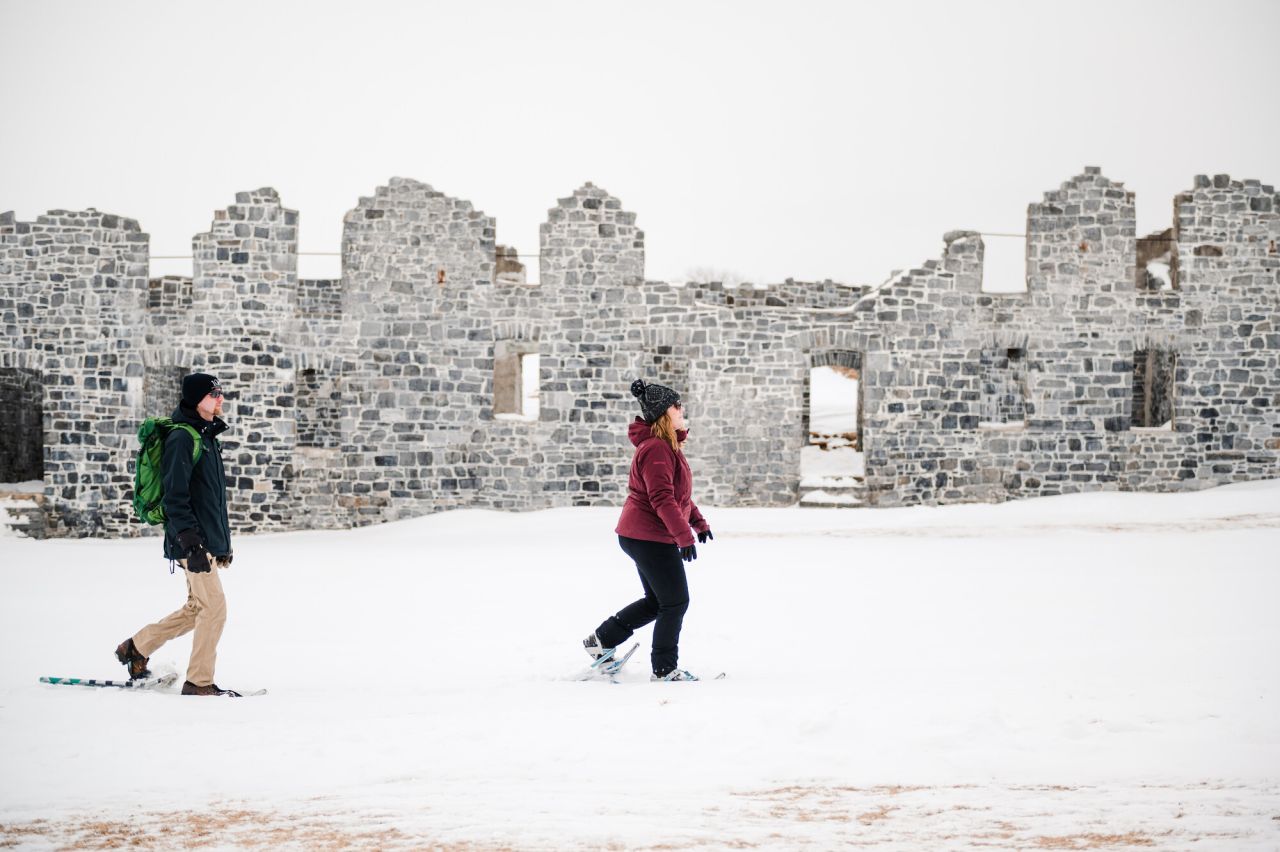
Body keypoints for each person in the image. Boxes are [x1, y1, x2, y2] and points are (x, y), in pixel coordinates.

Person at [114, 373, 240, 697]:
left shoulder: (206, 436)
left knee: (197, 609)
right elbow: (175, 497)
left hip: (201, 541)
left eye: (220, 393)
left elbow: (211, 499)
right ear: (197, 398)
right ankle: (199, 682)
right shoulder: (183, 438)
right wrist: (194, 544)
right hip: (191, 542)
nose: (220, 398)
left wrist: (219, 544)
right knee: (215, 609)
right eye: (214, 393)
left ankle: (136, 647)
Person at [583, 379, 714, 681]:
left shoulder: (667, 446)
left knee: (658, 602)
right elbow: (661, 499)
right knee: (675, 601)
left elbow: (678, 496)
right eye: (676, 405)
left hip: (644, 534)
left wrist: (698, 523)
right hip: (648, 536)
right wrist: (683, 537)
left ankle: (600, 641)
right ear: (664, 413)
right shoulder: (656, 449)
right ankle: (665, 668)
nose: (682, 410)